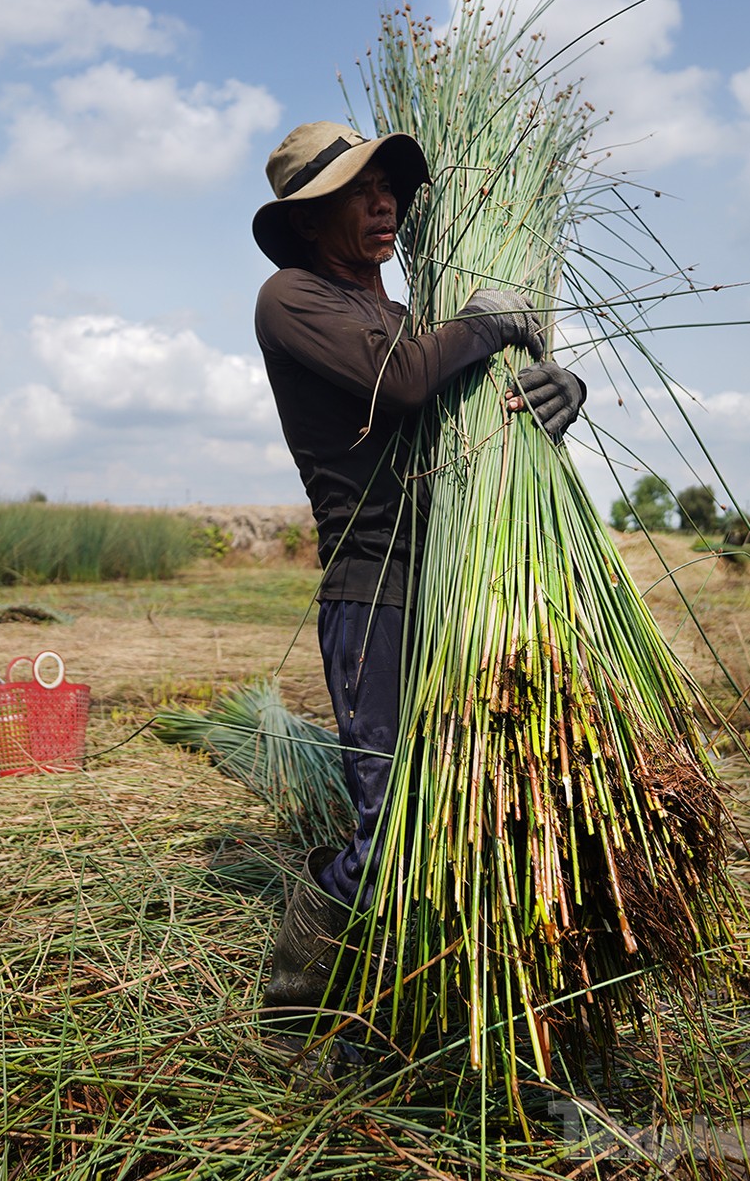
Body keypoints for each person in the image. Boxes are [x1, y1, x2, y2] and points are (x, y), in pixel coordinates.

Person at [249, 121, 587, 1047]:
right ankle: (295, 1011)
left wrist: (557, 391)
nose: (384, 200)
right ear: (312, 217)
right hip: (375, 597)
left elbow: (472, 417)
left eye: (390, 186)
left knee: (460, 800)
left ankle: (420, 1019)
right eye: (361, 189)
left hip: (457, 585)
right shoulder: (293, 299)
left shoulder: (407, 319)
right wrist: (487, 322)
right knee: (393, 817)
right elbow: (400, 387)